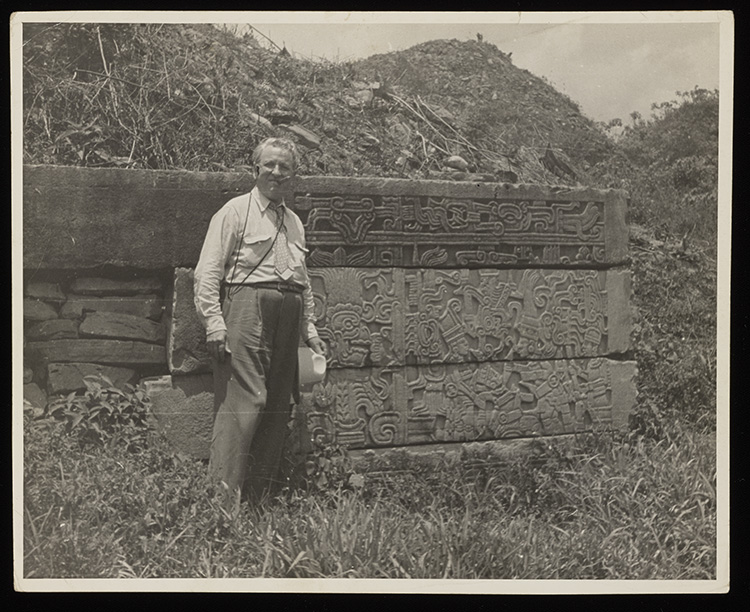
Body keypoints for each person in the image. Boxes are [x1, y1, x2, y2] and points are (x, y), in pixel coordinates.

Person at [194, 137, 326, 516]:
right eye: (270, 165)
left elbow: (303, 279)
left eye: (285, 167)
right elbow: (207, 272)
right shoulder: (234, 212)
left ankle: (261, 499)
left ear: (294, 175)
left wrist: (310, 330)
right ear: (255, 169)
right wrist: (214, 323)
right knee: (244, 401)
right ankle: (221, 505)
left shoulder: (295, 222)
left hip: (289, 312)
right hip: (248, 308)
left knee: (278, 405)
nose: (277, 173)